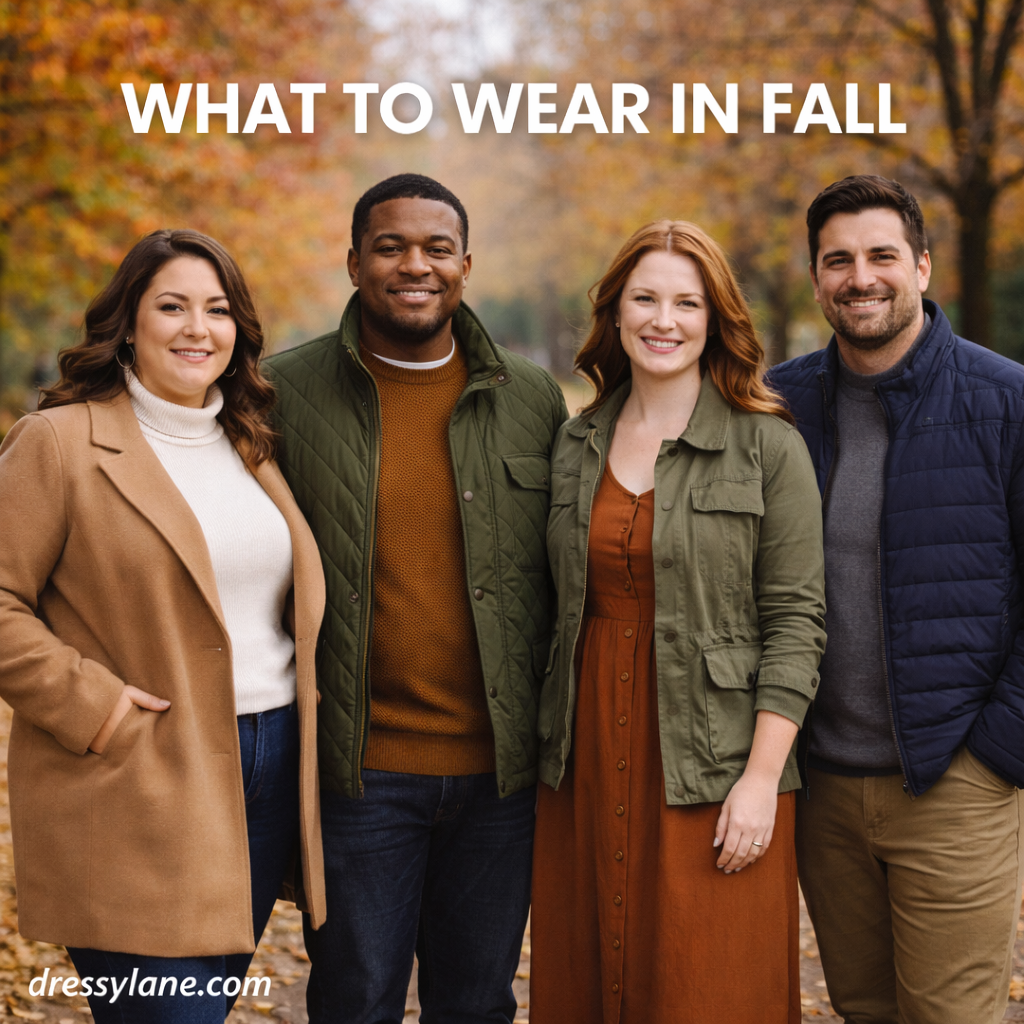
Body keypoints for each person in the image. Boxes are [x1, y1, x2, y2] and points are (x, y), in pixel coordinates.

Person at [0, 229, 326, 1023]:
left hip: (268, 770)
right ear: (129, 322)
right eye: (171, 306)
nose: (196, 328)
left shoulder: (249, 442)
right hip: (138, 776)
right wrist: (95, 706)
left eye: (217, 310)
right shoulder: (60, 443)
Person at [264, 173, 568, 1024]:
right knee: (354, 1000)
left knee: (475, 1005)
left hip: (498, 781)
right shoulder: (281, 394)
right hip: (360, 775)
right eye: (391, 246)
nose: (415, 265)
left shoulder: (530, 399)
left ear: (466, 263)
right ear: (354, 261)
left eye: (437, 249)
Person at [530, 220, 827, 1024]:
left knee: (710, 984)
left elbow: (797, 622)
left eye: (687, 302)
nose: (665, 320)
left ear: (715, 318)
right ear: (616, 315)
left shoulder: (769, 446)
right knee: (588, 977)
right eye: (646, 299)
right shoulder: (574, 443)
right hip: (585, 752)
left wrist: (761, 781)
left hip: (717, 759)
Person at [769, 174, 1024, 1024]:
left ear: (921, 265)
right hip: (824, 789)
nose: (860, 276)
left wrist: (994, 755)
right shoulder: (778, 406)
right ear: (815, 278)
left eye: (882, 255)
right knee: (864, 1008)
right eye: (837, 260)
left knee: (953, 1015)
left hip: (954, 783)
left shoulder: (1005, 403)